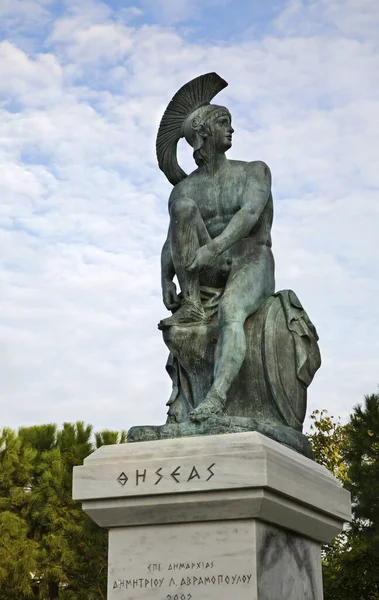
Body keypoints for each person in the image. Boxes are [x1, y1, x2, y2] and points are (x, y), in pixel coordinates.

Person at [156, 74, 275, 422]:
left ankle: (216, 398)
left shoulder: (254, 171)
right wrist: (165, 279)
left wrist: (215, 247)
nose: (231, 130)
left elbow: (249, 215)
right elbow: (173, 237)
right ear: (204, 133)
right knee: (182, 210)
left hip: (251, 259)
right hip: (210, 268)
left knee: (232, 311)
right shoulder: (184, 190)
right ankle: (192, 303)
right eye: (224, 123)